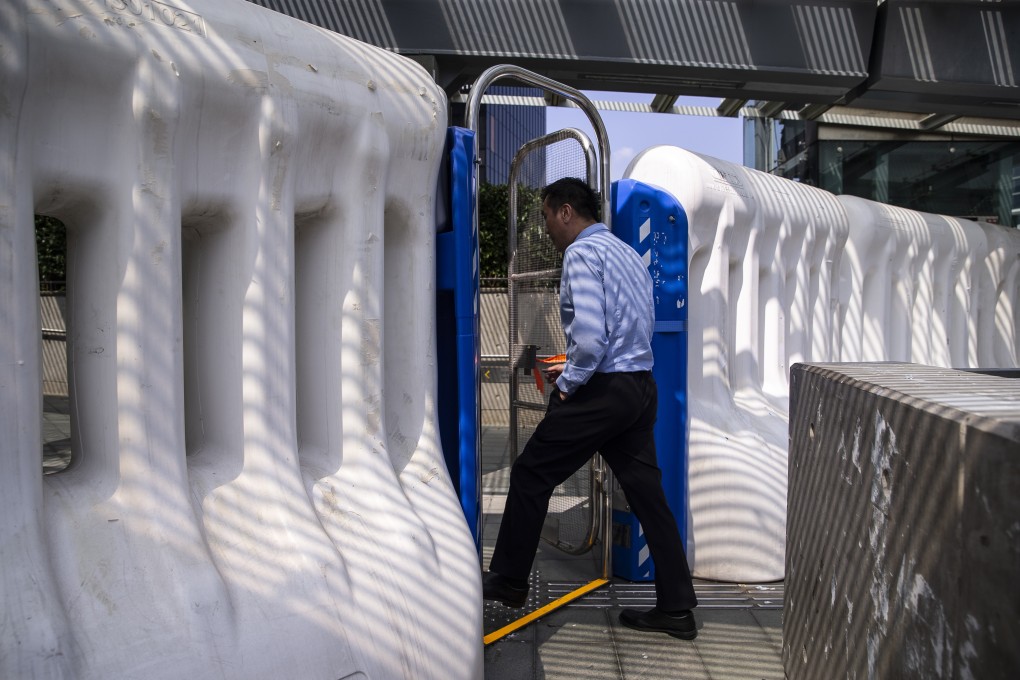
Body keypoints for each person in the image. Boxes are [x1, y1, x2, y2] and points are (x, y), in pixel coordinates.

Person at [482, 177, 699, 640]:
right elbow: (629, 327)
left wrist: (569, 385)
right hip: (639, 389)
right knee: (650, 499)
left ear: (565, 211)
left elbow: (591, 337)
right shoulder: (627, 254)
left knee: (530, 473)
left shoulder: (581, 253)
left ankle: (509, 581)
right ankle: (677, 608)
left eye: (545, 217)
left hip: (602, 390)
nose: (546, 229)